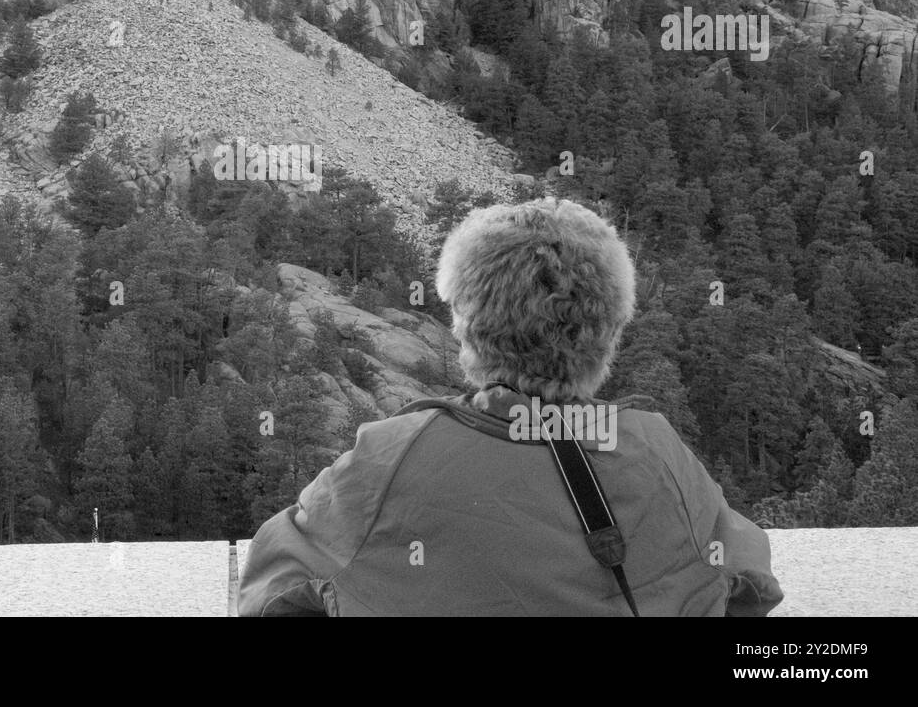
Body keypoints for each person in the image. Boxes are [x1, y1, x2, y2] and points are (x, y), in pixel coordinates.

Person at [238, 197, 783, 616]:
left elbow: (273, 591)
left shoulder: (389, 458)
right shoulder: (658, 453)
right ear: (609, 328)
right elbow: (750, 586)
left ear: (466, 323)